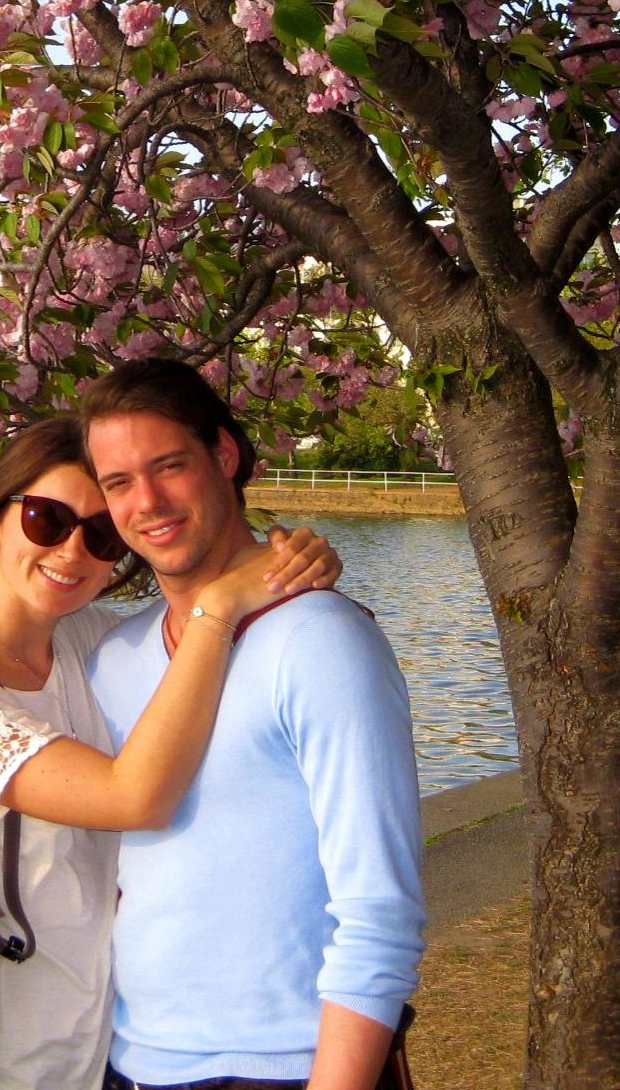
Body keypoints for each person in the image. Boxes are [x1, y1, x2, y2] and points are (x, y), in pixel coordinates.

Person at [0, 415, 343, 1090]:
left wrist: (290, 558)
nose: (72, 551)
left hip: (114, 1044)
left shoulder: (89, 637)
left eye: (101, 535)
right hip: (3, 1056)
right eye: (46, 519)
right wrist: (222, 606)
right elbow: (136, 797)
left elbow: (209, 630)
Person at [81, 358, 426, 1090]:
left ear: (224, 455)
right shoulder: (115, 656)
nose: (148, 501)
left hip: (286, 1067)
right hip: (131, 1064)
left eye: (168, 466)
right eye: (118, 483)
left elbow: (379, 908)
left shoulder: (320, 641)